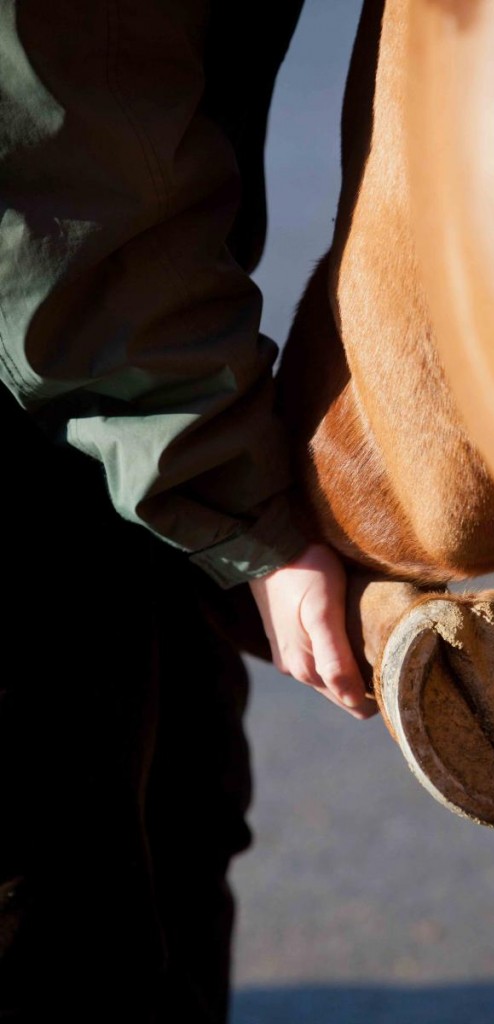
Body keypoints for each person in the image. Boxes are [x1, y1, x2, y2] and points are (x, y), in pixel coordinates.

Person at [0, 2, 375, 1021]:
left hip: (129, 362)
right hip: (74, 350)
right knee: (59, 894)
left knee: (179, 819)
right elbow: (51, 167)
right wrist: (246, 505)